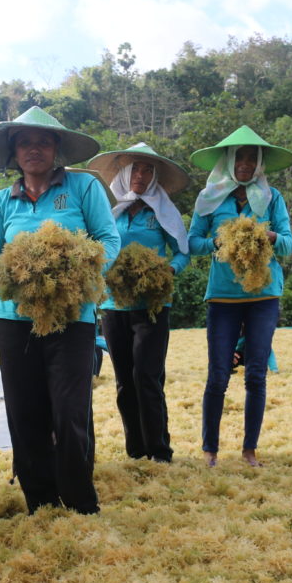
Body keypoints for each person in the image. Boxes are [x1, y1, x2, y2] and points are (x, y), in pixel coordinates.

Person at [0, 107, 121, 514]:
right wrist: (4, 277)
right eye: (24, 142)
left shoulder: (83, 188)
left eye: (43, 141)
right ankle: (39, 501)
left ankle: (79, 501)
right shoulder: (2, 201)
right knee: (25, 410)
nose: (34, 149)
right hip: (14, 318)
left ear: (57, 148)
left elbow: (108, 239)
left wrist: (81, 267)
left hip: (73, 315)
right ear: (14, 152)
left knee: (70, 410)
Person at [188, 126, 292, 468]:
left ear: (260, 163)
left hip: (264, 296)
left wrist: (268, 235)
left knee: (255, 375)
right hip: (222, 298)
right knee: (218, 374)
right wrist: (218, 243)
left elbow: (289, 245)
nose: (246, 163)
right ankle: (210, 450)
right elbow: (192, 242)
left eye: (252, 157)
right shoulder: (210, 198)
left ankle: (250, 451)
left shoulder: (271, 197)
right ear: (228, 161)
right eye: (240, 157)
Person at [87, 142, 190, 462]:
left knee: (147, 377)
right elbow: (96, 249)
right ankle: (135, 450)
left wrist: (170, 269)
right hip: (114, 307)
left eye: (148, 170)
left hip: (153, 305)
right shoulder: (108, 210)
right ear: (124, 173)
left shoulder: (161, 210)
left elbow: (183, 251)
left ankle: (159, 449)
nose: (141, 176)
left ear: (155, 176)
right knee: (123, 382)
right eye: (136, 169)